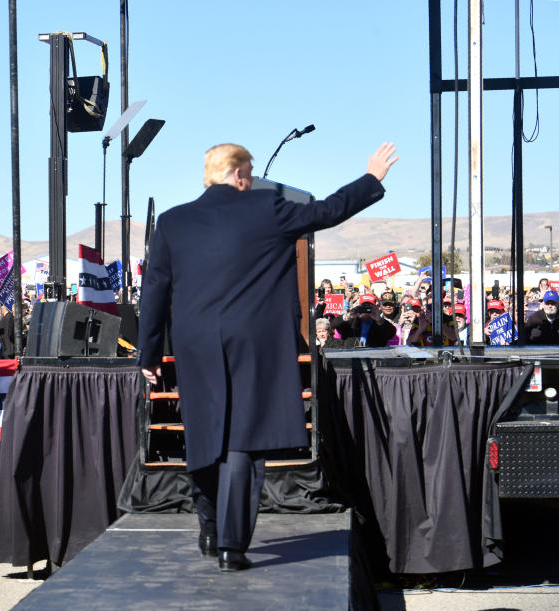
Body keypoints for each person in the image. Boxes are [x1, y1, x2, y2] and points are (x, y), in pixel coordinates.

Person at [138, 141, 397, 572]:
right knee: (243, 439)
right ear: (239, 173)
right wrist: (371, 178)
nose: (254, 179)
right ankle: (231, 546)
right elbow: (328, 211)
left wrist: (148, 352)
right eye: (251, 172)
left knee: (204, 435)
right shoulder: (267, 208)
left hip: (195, 345)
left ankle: (209, 526)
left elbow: (154, 292)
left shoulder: (171, 222)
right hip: (253, 344)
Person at [330, 294, 396, 347]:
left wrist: (379, 319)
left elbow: (391, 333)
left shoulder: (379, 323)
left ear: (375, 307)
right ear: (359, 306)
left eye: (369, 306)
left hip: (374, 358)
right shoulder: (351, 321)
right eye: (364, 306)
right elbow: (334, 324)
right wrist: (349, 315)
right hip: (352, 357)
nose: (366, 309)